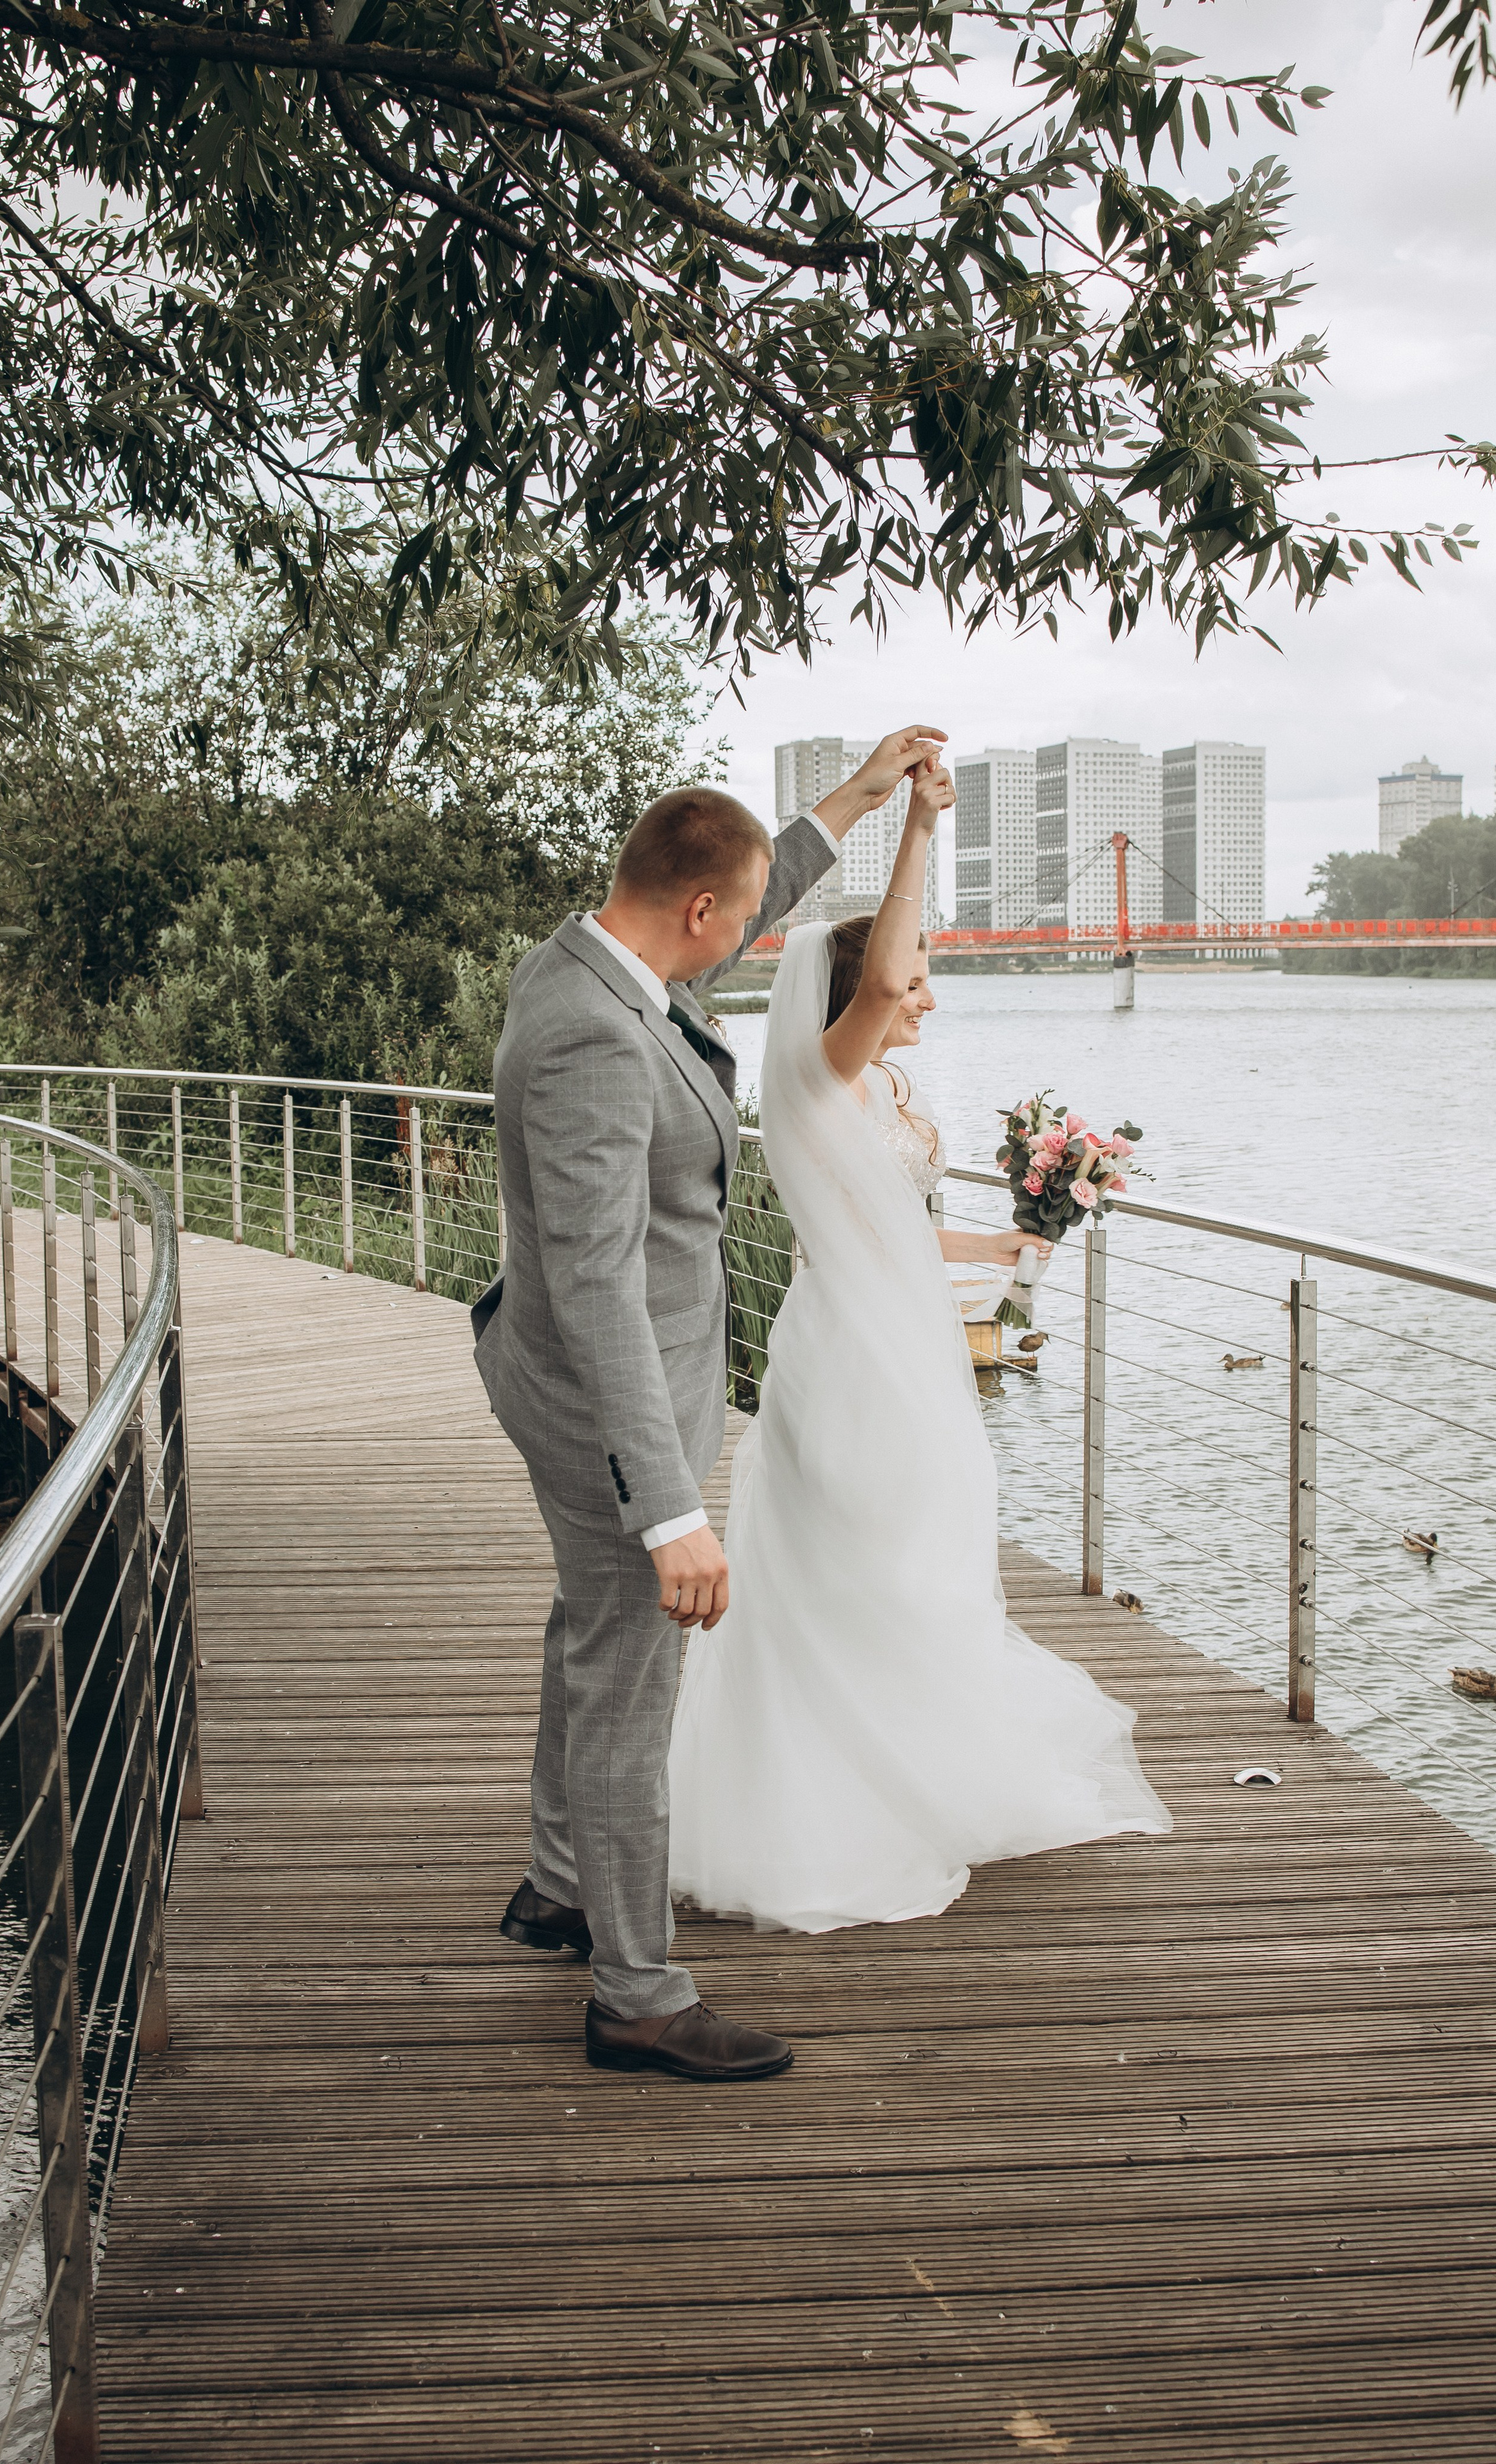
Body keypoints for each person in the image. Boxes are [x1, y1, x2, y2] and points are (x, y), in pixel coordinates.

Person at [472, 730, 950, 2082]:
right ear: (694, 910)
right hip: (602, 1396)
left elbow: (752, 894)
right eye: (738, 919)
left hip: (605, 1381)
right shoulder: (589, 1036)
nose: (750, 939)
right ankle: (634, 1992)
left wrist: (857, 801)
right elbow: (593, 1281)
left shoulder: (596, 963)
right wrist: (669, 1506)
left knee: (590, 1632)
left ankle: (558, 1886)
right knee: (630, 1676)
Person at [667, 758, 1172, 1933]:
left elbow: (894, 1219)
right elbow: (889, 958)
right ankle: (839, 1808)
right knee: (859, 1566)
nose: (925, 995)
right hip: (849, 1362)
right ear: (860, 994)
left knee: (919, 1565)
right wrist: (917, 828)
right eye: (917, 980)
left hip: (916, 1354)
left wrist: (1008, 1239)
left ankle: (912, 1770)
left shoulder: (884, 1089)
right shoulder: (815, 1075)